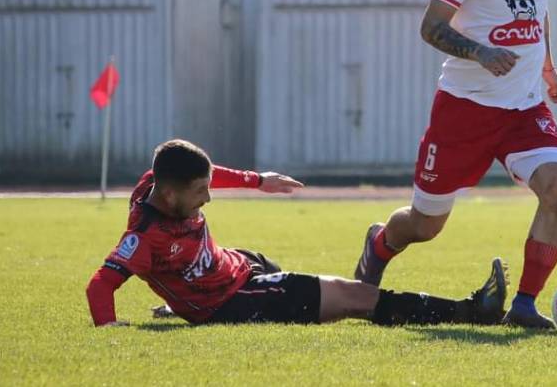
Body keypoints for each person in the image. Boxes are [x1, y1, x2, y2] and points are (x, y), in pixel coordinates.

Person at [354, 0, 557, 330]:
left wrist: (548, 66)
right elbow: (431, 27)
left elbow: (539, 11)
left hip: (525, 109)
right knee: (425, 225)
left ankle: (526, 305)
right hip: (464, 112)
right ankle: (378, 244)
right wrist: (481, 52)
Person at [85, 139, 508, 328]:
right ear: (171, 193)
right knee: (351, 297)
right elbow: (100, 287)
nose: (208, 199)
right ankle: (473, 312)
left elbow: (211, 179)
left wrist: (256, 180)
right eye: (200, 192)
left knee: (321, 293)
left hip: (241, 265)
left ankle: (367, 272)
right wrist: (109, 327)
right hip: (227, 301)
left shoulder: (154, 181)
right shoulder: (143, 237)